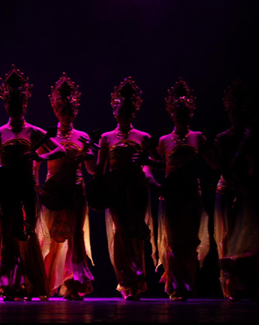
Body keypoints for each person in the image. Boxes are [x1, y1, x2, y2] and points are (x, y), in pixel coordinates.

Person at [0, 65, 65, 301]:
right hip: (6, 192)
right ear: (6, 106)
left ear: (25, 105)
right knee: (7, 235)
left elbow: (59, 150)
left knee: (27, 233)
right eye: (11, 105)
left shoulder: (34, 132)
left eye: (20, 105)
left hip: (27, 189)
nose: (15, 108)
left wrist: (39, 156)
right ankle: (10, 285)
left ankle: (30, 284)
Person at [204, 79, 259, 301]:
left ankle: (255, 284)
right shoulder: (224, 138)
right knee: (225, 237)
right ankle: (230, 286)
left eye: (241, 111)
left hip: (250, 193)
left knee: (253, 239)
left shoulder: (256, 137)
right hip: (229, 191)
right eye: (233, 111)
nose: (237, 115)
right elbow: (224, 166)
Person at [94, 77, 158, 301]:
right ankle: (126, 282)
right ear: (114, 111)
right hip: (116, 191)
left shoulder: (144, 137)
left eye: (129, 110)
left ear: (135, 111)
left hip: (138, 189)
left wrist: (147, 160)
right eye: (121, 109)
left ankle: (138, 281)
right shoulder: (106, 138)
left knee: (136, 233)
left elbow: (159, 163)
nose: (125, 113)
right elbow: (99, 170)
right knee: (121, 233)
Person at [40, 73, 95, 300]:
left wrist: (88, 154)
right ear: (55, 111)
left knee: (76, 236)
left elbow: (92, 170)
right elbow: (37, 161)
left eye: (70, 110)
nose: (67, 114)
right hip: (53, 191)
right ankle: (45, 283)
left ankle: (73, 284)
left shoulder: (82, 136)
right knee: (52, 237)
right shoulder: (47, 136)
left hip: (76, 191)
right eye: (62, 110)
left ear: (76, 111)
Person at [155, 78, 210, 301]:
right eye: (177, 112)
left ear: (191, 113)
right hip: (171, 194)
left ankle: (188, 282)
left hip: (191, 193)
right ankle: (177, 286)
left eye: (185, 112)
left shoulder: (198, 137)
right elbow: (160, 164)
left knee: (190, 239)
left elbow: (211, 163)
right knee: (174, 239)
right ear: (171, 113)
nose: (181, 116)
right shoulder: (164, 140)